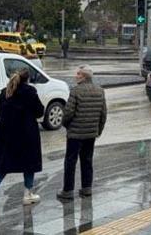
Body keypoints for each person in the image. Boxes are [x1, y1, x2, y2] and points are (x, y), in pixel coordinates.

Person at [0, 68, 45, 209]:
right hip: (27, 134)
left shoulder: (5, 92)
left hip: (7, 133)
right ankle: (28, 194)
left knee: (3, 164)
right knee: (29, 163)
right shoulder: (30, 92)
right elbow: (39, 111)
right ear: (27, 79)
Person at [57, 65, 107, 200]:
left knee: (70, 161)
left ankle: (67, 190)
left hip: (75, 134)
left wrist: (66, 126)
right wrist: (98, 130)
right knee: (87, 160)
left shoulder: (75, 91)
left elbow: (68, 113)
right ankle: (87, 188)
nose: (76, 76)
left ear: (84, 77)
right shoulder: (99, 91)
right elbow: (103, 114)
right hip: (91, 134)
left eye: (78, 74)